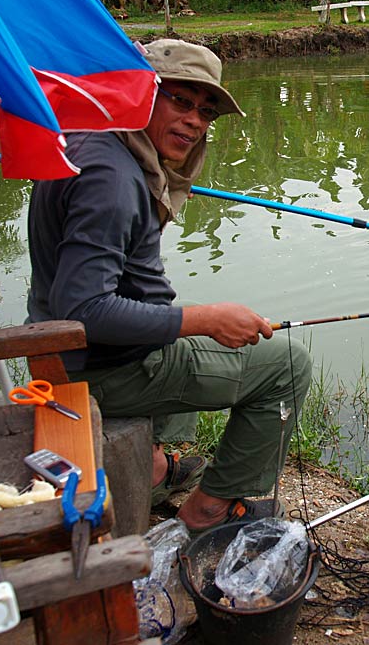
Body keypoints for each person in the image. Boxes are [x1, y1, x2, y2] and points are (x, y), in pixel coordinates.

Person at [27, 39, 312, 533]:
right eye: (179, 101)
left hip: (69, 355)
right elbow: (84, 310)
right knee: (287, 365)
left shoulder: (91, 140)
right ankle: (209, 509)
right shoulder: (112, 180)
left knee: (182, 319)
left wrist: (189, 320)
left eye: (205, 112)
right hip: (98, 371)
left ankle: (155, 466)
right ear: (139, 93)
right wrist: (205, 320)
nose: (195, 121)